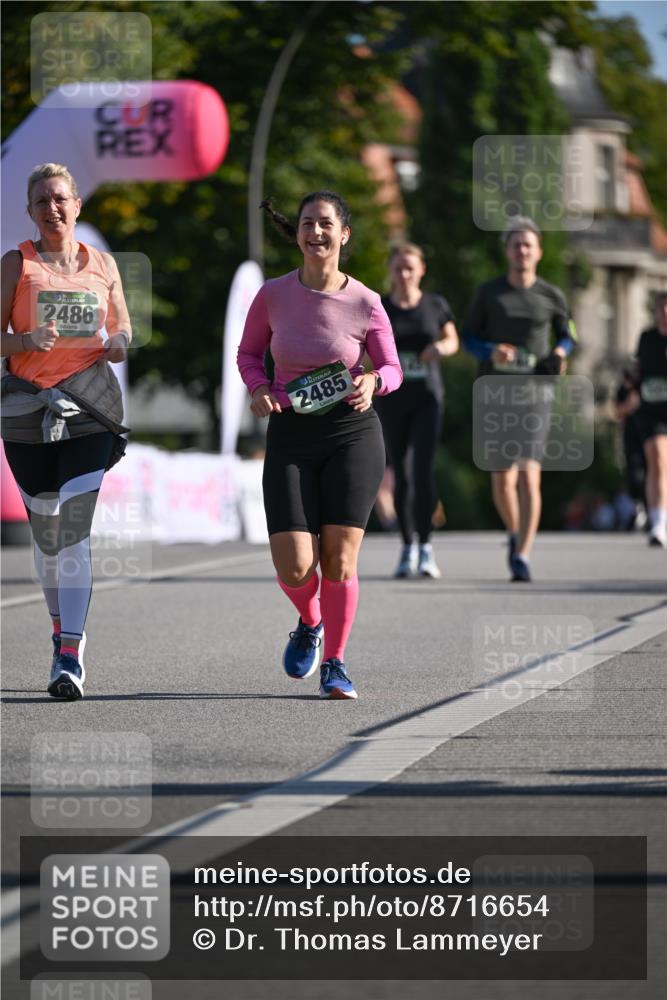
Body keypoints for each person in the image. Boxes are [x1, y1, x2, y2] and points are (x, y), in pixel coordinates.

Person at [237, 191, 402, 700]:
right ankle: (311, 621)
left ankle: (335, 662)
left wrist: (374, 381)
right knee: (292, 565)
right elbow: (248, 354)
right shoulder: (273, 295)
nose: (316, 232)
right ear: (298, 233)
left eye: (326, 224)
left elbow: (392, 367)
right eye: (307, 223)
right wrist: (259, 389)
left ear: (343, 234)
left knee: (340, 558)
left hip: (352, 432)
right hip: (291, 432)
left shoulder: (366, 302)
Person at [1, 163, 131, 700]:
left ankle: (70, 654)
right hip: (27, 412)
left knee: (74, 530)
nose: (51, 208)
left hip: (87, 408)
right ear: (30, 211)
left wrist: (119, 342)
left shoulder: (103, 264)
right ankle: (59, 629)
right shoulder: (17, 263)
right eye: (41, 201)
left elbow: (121, 325)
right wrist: (26, 341)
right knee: (47, 533)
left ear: (77, 205)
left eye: (60, 198)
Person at [462, 217, 576, 581]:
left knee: (528, 476)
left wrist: (560, 351)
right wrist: (490, 350)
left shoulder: (552, 295)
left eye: (528, 245)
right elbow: (468, 337)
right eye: (516, 245)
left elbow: (568, 334)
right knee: (502, 479)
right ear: (507, 251)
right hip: (495, 394)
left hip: (535, 394)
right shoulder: (489, 293)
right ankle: (514, 532)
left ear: (538, 251)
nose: (522, 250)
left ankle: (523, 555)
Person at [375, 243, 458, 579]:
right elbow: (365, 345)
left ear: (422, 270)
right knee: (401, 472)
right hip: (392, 398)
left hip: (427, 398)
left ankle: (426, 547)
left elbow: (452, 339)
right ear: (391, 271)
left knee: (422, 470)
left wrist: (441, 347)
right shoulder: (380, 306)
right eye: (398, 268)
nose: (404, 274)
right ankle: (407, 545)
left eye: (410, 268)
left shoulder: (435, 304)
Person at [633, 291, 667, 546]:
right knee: (657, 460)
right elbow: (638, 369)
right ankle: (657, 523)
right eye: (661, 308)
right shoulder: (647, 338)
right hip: (650, 410)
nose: (665, 313)